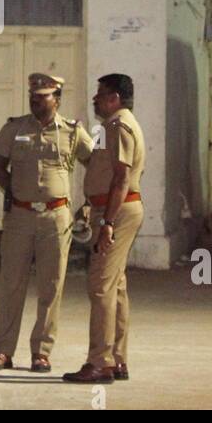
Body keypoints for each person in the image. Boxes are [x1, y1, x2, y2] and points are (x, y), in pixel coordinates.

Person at [0, 73, 94, 373]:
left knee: (51, 286)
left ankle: (41, 352)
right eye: (32, 95)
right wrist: (16, 192)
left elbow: (96, 166)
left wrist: (89, 205)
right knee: (11, 284)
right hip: (19, 217)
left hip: (57, 218)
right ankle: (2, 351)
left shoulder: (72, 132)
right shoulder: (13, 128)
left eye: (42, 95)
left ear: (56, 98)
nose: (35, 100)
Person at [64, 73, 146, 384]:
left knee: (100, 287)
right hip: (110, 209)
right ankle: (118, 360)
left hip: (118, 213)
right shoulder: (109, 127)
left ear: (114, 98)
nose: (95, 99)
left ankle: (99, 362)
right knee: (117, 287)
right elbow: (100, 166)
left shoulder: (119, 126)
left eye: (100, 94)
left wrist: (108, 222)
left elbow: (122, 178)